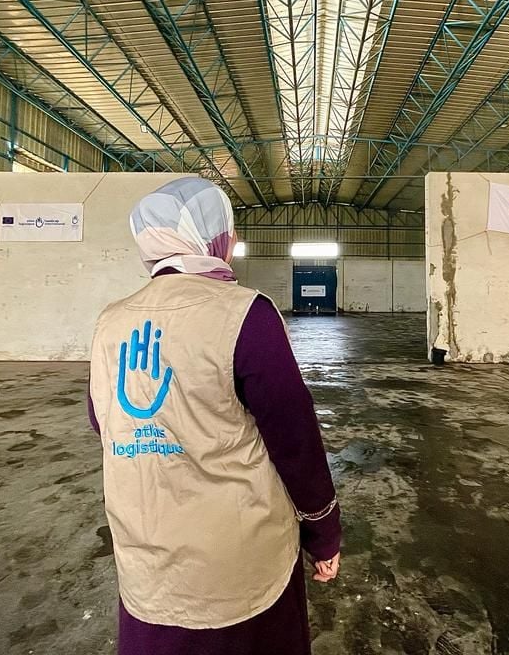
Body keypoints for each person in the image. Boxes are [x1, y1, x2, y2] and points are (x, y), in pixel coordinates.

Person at [87, 177, 341, 655]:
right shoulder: (246, 314)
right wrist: (323, 531)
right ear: (215, 237)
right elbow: (294, 441)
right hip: (237, 563)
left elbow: (104, 422)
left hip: (146, 555)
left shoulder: (111, 321)